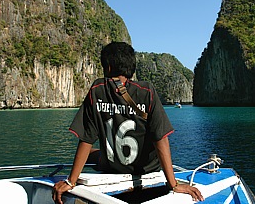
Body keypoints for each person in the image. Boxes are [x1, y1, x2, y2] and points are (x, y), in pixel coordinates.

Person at [52, 42, 204, 204]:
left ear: (108, 67)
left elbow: (87, 139)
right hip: (146, 169)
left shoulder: (98, 89)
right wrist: (173, 184)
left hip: (112, 166)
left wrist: (71, 181)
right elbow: (161, 138)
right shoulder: (147, 92)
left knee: (93, 152)